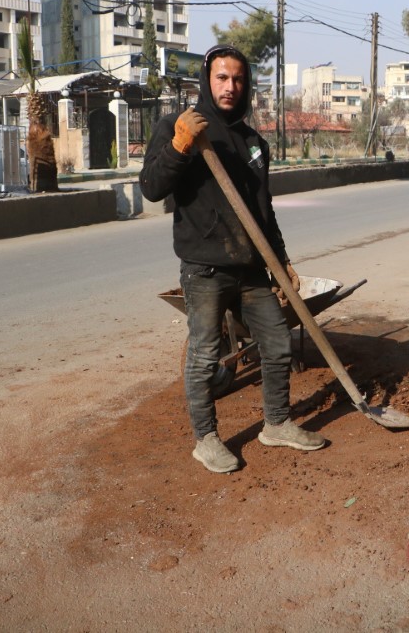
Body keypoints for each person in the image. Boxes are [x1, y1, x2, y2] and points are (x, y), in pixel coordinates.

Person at [139, 44, 326, 474]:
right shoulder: (178, 125)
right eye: (222, 78)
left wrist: (282, 261)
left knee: (277, 345)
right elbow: (151, 187)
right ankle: (206, 439)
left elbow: (263, 210)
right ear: (207, 79)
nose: (230, 86)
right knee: (205, 356)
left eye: (238, 79)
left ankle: (276, 423)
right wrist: (179, 146)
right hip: (204, 268)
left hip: (251, 267)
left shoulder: (252, 142)